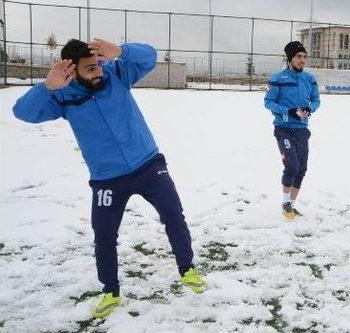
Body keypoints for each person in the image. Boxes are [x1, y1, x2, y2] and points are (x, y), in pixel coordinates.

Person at [12, 38, 207, 318]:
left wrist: (121, 51)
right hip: (107, 180)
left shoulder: (116, 74)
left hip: (149, 165)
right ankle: (110, 291)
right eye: (90, 68)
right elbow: (22, 112)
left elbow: (149, 57)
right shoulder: (62, 96)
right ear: (72, 71)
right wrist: (46, 88)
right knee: (104, 236)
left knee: (174, 214)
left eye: (99, 65)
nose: (98, 72)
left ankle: (187, 270)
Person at [264, 41, 320, 220]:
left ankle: (292, 205)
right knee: (292, 165)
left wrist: (310, 109)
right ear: (290, 59)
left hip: (302, 130)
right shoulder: (277, 78)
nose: (302, 60)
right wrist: (287, 111)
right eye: (298, 57)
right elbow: (268, 102)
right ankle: (285, 202)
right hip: (284, 129)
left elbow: (316, 100)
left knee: (302, 168)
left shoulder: (310, 79)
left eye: (304, 57)